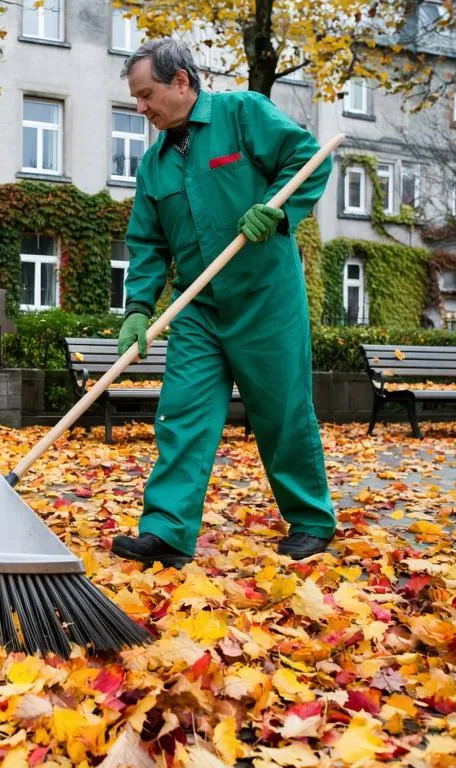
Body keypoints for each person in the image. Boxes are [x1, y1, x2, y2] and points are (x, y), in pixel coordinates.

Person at [109, 39, 337, 566]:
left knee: (282, 412)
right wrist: (138, 308)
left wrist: (278, 212)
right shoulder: (154, 165)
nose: (140, 108)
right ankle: (166, 530)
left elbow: (307, 159)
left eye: (147, 95)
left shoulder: (243, 114)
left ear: (182, 82)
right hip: (198, 309)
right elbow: (146, 244)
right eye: (137, 99)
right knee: (182, 413)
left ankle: (310, 519)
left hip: (265, 299)